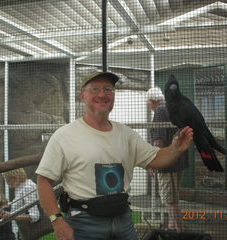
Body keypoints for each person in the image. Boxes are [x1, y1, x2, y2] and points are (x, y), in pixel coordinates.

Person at [36, 71, 193, 240]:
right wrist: (57, 221)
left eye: (108, 90)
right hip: (84, 223)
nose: (102, 94)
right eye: (95, 89)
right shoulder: (64, 135)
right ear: (82, 95)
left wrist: (176, 149)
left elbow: (156, 158)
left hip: (123, 220)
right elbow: (44, 180)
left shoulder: (126, 134)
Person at [147, 87, 189, 232]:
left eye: (148, 102)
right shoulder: (173, 107)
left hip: (167, 162)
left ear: (153, 101)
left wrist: (153, 161)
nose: (148, 105)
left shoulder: (160, 110)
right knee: (174, 197)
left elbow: (158, 140)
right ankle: (173, 226)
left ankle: (178, 230)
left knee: (169, 199)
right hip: (179, 159)